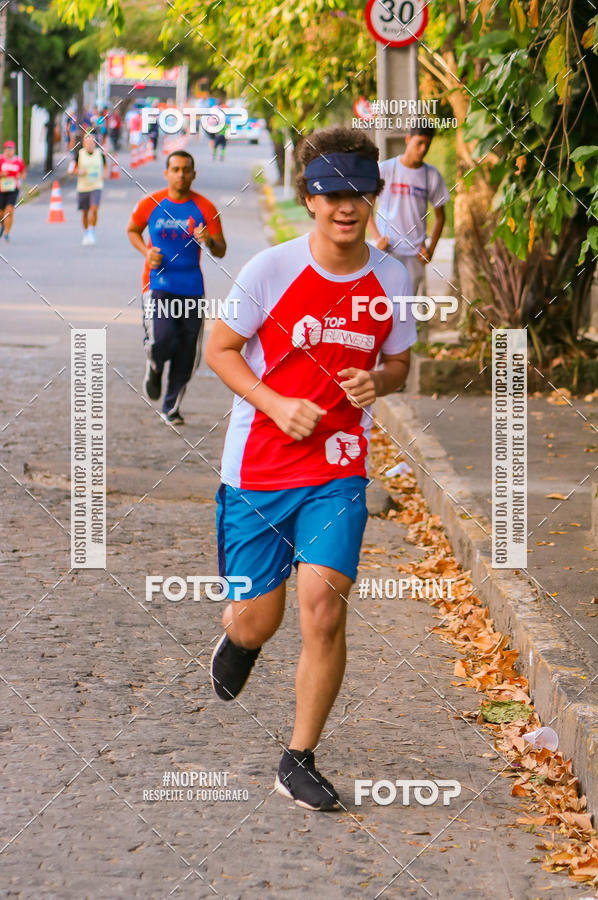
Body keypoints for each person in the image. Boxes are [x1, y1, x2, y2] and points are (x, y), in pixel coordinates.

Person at [205, 126, 416, 812]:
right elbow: (221, 348)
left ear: (375, 195)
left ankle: (297, 759)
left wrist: (375, 385)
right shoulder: (270, 268)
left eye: (358, 191)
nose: (345, 206)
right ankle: (240, 641)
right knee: (257, 621)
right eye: (331, 194)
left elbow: (399, 365)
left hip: (337, 469)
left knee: (323, 612)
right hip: (258, 470)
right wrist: (273, 400)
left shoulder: (392, 277)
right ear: (308, 198)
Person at [126, 150, 226, 425]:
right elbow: (132, 230)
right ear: (167, 173)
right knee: (162, 338)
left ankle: (171, 408)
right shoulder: (151, 203)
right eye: (176, 169)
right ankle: (155, 366)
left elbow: (221, 250)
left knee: (187, 352)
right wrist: (146, 252)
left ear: (193, 174)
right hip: (157, 283)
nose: (181, 174)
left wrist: (208, 241)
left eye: (186, 170)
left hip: (192, 287)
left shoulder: (205, 207)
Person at [368, 123, 450, 294]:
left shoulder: (431, 175)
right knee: (382, 302)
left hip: (415, 254)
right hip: (387, 250)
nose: (423, 149)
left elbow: (441, 217)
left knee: (405, 307)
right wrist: (377, 238)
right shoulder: (386, 169)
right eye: (419, 143)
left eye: (427, 145)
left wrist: (431, 250)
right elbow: (367, 206)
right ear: (408, 139)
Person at [74, 131, 108, 246]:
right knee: (85, 212)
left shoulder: (100, 154)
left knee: (94, 209)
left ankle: (92, 231)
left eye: (92, 142)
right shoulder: (79, 154)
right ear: (84, 144)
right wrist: (79, 172)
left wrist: (105, 174)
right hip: (83, 187)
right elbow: (72, 170)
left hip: (96, 186)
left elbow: (106, 165)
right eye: (87, 142)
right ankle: (86, 233)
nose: (90, 145)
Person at [0, 140, 26, 241]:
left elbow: (24, 173)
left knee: (10, 210)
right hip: (1, 188)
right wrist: (2, 174)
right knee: (1, 212)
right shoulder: (1, 159)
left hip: (13, 188)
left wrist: (20, 176)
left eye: (11, 149)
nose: (9, 151)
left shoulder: (18, 160)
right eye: (7, 149)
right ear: (4, 149)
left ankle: (7, 232)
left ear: (14, 150)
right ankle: (2, 223)